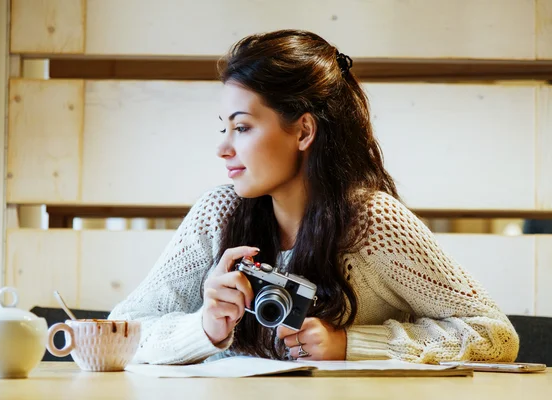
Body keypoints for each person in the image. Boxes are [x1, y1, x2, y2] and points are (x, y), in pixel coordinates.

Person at [108, 29, 519, 365]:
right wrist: (204, 327)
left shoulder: (373, 223)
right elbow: (122, 331)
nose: (223, 148)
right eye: (224, 128)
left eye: (243, 127)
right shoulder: (219, 212)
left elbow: (494, 335)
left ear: (303, 132)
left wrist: (350, 345)